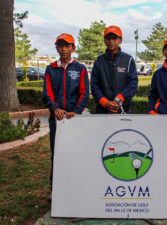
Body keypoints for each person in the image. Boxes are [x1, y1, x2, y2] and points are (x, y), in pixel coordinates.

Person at [42, 33, 89, 195]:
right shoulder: (50, 69)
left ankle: (76, 187)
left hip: (74, 119)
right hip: (56, 119)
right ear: (56, 48)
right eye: (60, 46)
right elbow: (47, 94)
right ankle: (54, 189)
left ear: (73, 48)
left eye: (66, 45)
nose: (63, 49)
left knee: (75, 152)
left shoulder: (80, 68)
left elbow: (84, 94)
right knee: (57, 153)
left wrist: (75, 112)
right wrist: (55, 108)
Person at [91, 25, 138, 114]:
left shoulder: (128, 59)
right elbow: (94, 85)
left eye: (114, 38)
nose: (111, 41)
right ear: (104, 40)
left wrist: (119, 99)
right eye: (108, 38)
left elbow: (133, 83)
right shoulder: (98, 61)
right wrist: (105, 102)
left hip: (123, 110)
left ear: (120, 40)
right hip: (102, 110)